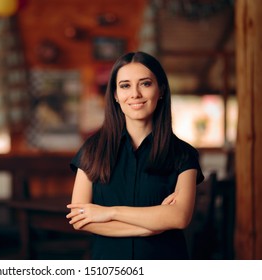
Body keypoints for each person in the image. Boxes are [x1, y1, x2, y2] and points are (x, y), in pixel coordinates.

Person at [66, 51, 205, 259]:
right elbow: (79, 218)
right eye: (125, 85)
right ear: (115, 95)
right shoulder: (92, 150)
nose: (135, 94)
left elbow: (179, 217)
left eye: (145, 84)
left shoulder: (183, 155)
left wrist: (110, 212)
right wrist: (150, 227)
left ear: (161, 91)